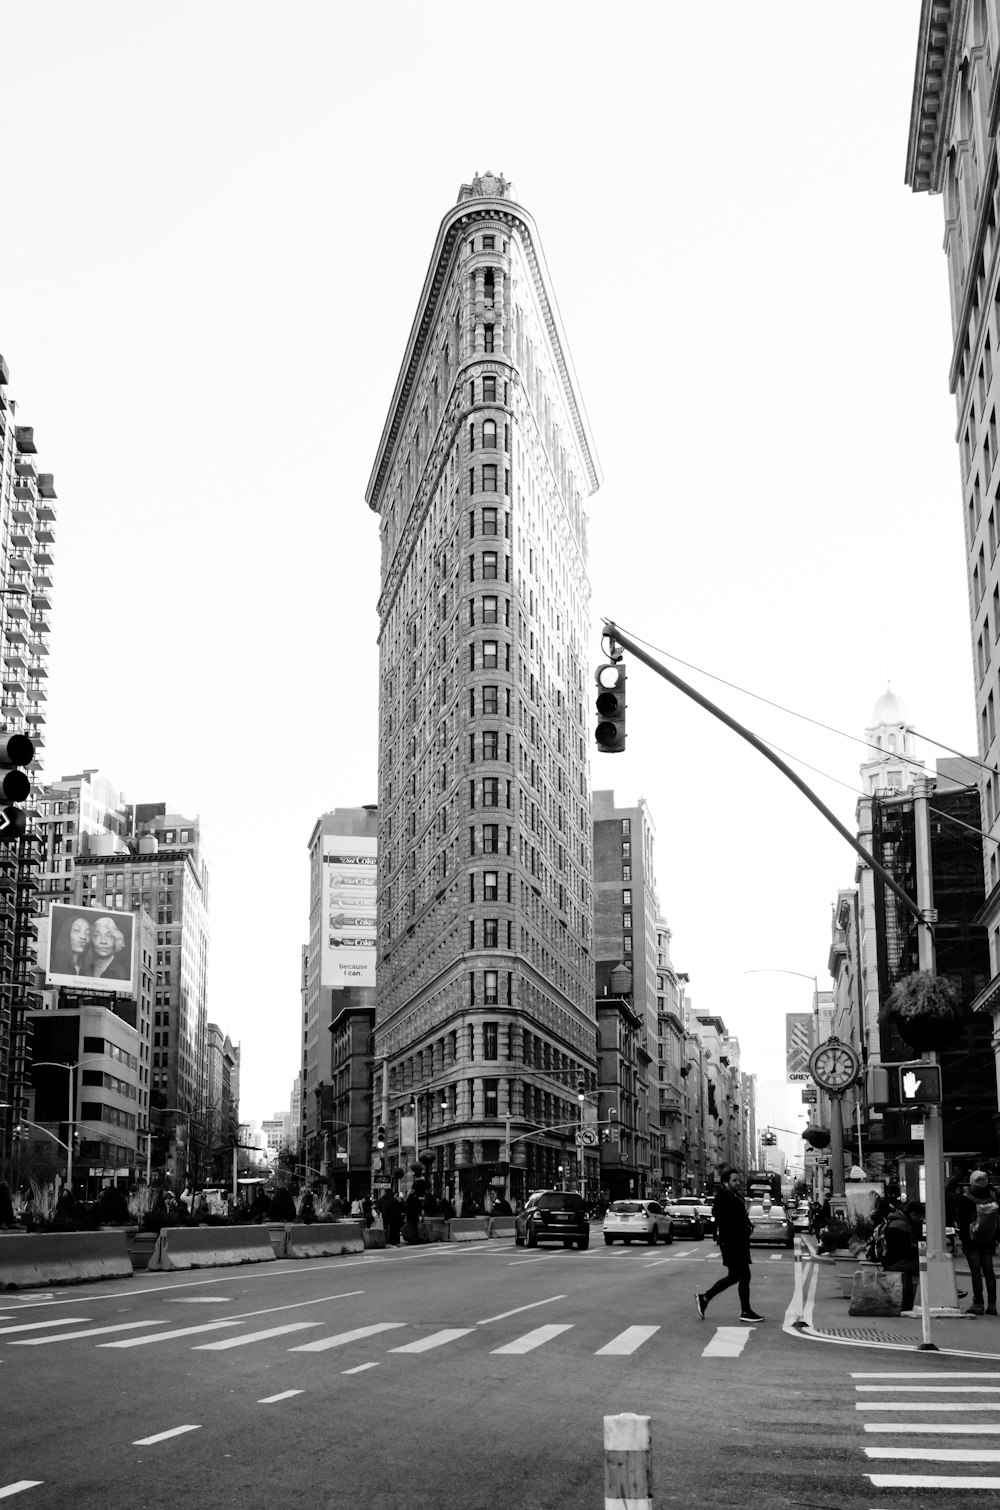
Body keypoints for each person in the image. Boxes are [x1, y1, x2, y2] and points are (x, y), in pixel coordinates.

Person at [696, 1167, 764, 1324]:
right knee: (744, 1275)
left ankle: (705, 1298)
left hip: (737, 1242)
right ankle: (745, 1311)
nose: (738, 1182)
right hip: (733, 1243)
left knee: (734, 1276)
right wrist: (743, 1228)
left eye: (738, 1180)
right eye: (734, 1180)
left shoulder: (734, 1196)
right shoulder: (723, 1198)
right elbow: (726, 1221)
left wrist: (747, 1225)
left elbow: (739, 1217)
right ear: (726, 1183)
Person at [953, 1169, 999, 1316]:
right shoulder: (994, 1197)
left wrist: (955, 1178)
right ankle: (992, 1304)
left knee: (976, 1271)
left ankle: (978, 1303)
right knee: (989, 1271)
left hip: (971, 1240)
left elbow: (946, 1193)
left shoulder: (965, 1200)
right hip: (989, 1239)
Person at [880, 1200, 921, 1311]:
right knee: (927, 1268)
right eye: (919, 1217)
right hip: (897, 1262)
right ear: (913, 1214)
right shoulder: (902, 1225)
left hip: (890, 1260)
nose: (919, 1220)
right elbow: (906, 1250)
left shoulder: (894, 1221)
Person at [90, 915, 131, 980]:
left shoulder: (122, 974)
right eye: (97, 935)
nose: (103, 941)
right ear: (91, 939)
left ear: (116, 940)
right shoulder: (85, 969)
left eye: (109, 936)